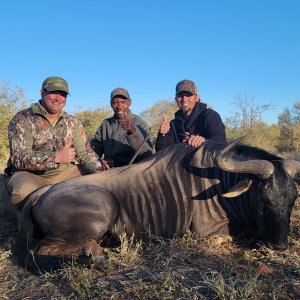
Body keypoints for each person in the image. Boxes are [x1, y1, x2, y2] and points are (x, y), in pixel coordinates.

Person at [5, 76, 107, 210]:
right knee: (24, 193)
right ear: (42, 93)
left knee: (98, 186)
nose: (58, 98)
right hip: (30, 174)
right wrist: (55, 157)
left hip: (65, 172)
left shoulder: (73, 122)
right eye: (54, 92)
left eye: (63, 94)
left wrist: (100, 172)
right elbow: (18, 158)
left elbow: (85, 154)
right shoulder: (22, 118)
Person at [155, 79, 227, 151]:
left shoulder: (211, 116)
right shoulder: (173, 124)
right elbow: (161, 152)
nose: (184, 99)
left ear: (197, 98)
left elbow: (221, 143)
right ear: (176, 99)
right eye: (180, 96)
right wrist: (162, 135)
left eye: (189, 95)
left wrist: (205, 142)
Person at [90, 87, 153, 167]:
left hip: (131, 171)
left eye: (123, 102)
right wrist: (98, 160)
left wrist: (133, 132)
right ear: (111, 104)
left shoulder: (140, 123)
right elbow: (94, 148)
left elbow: (147, 154)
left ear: (129, 103)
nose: (119, 106)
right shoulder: (106, 124)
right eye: (115, 102)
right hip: (108, 171)